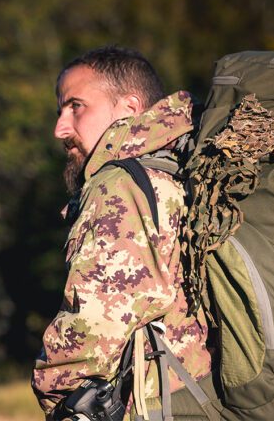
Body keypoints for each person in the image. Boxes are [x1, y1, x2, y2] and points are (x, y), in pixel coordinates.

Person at [32, 46, 211, 419]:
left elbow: (93, 328)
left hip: (157, 408)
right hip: (202, 398)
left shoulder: (121, 184)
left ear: (129, 109)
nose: (60, 128)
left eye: (76, 106)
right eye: (60, 110)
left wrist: (61, 403)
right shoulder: (180, 171)